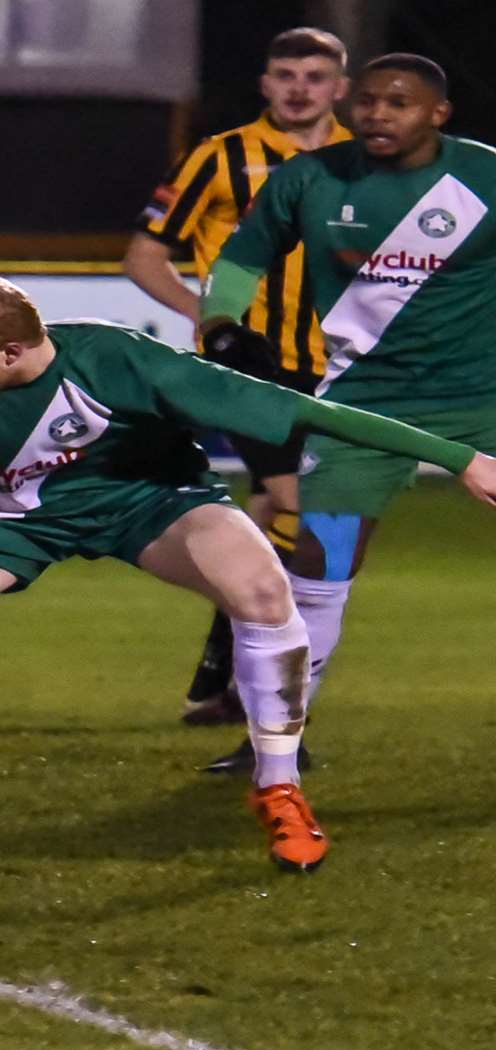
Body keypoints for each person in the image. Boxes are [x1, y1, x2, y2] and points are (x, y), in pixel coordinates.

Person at [0, 269, 496, 875]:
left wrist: (462, 458)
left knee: (264, 591)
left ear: (14, 349)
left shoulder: (127, 363)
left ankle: (279, 788)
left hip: (149, 503)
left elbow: (306, 412)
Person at [192, 53, 496, 771]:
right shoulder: (309, 179)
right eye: (368, 102)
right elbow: (241, 259)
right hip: (363, 414)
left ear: (438, 114)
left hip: (485, 405)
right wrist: (223, 324)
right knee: (321, 569)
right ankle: (276, 741)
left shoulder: (484, 176)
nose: (378, 115)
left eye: (400, 103)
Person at [125, 27, 352, 732]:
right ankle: (274, 681)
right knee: (309, 506)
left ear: (339, 88)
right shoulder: (221, 158)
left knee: (270, 518)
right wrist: (209, 318)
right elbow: (144, 254)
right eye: (286, 74)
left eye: (315, 77)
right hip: (248, 366)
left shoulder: (365, 163)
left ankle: (224, 662)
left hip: (339, 364)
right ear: (265, 83)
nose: (299, 89)